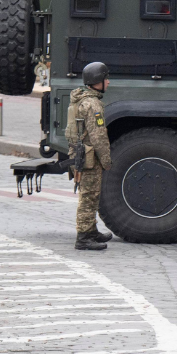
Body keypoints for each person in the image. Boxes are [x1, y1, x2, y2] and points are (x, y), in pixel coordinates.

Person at [66, 62, 113, 251]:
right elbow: (98, 135)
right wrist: (106, 159)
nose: (108, 82)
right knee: (89, 196)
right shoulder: (93, 105)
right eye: (105, 79)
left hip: (81, 153)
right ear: (97, 82)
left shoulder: (81, 99)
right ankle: (84, 237)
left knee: (91, 194)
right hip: (89, 156)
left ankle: (91, 231)